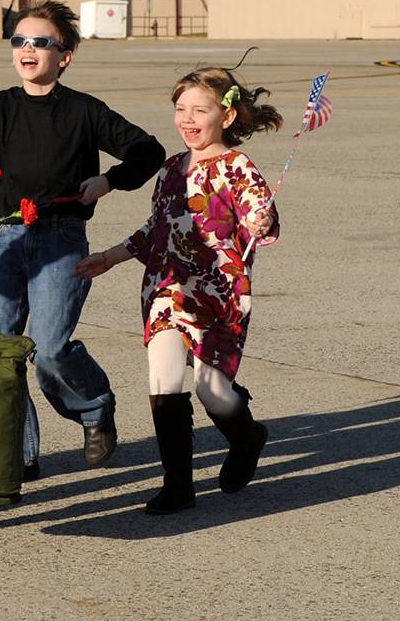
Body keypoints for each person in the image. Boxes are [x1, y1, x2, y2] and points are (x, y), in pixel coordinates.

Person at [0, 0, 164, 479]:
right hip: (9, 241)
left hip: (61, 238)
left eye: (41, 42)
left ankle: (95, 408)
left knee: (51, 348)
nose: (28, 49)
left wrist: (110, 180)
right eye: (19, 40)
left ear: (65, 55)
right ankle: (21, 453)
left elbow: (148, 150)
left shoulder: (83, 111)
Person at [76, 66, 281, 514]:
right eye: (180, 108)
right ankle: (178, 485)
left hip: (220, 292)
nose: (188, 119)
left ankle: (247, 437)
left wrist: (261, 221)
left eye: (199, 110)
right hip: (167, 289)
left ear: (225, 118)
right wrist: (110, 257)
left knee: (212, 391)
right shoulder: (171, 168)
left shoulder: (238, 167)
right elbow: (158, 227)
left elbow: (259, 220)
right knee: (163, 378)